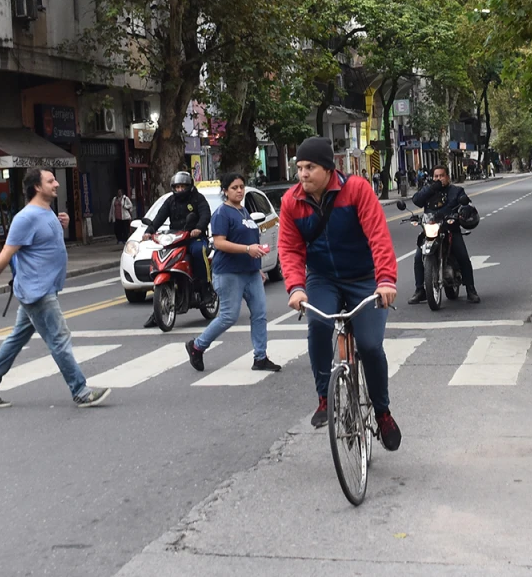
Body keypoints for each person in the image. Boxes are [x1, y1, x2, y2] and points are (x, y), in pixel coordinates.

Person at [279, 137, 401, 451]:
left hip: (364, 278)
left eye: (309, 167)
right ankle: (324, 397)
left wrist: (386, 280)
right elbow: (290, 250)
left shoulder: (357, 190)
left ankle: (383, 412)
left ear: (328, 168)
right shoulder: (292, 202)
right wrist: (296, 287)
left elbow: (379, 237)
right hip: (323, 279)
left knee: (371, 347)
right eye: (299, 168)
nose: (302, 174)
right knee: (318, 326)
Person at [0, 168, 111, 408]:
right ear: (37, 187)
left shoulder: (47, 212)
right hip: (37, 291)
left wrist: (62, 225)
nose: (57, 184)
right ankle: (80, 390)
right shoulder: (25, 218)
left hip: (42, 287)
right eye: (51, 180)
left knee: (16, 339)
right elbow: (6, 254)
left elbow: (44, 243)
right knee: (59, 339)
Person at [184, 173, 282, 373]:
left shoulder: (244, 212)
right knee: (229, 316)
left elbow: (250, 242)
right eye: (234, 187)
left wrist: (258, 268)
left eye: (241, 187)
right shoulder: (222, 213)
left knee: (260, 314)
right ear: (225, 191)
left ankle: (260, 357)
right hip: (229, 272)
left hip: (251, 272)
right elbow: (219, 243)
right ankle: (197, 346)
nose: (239, 191)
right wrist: (247, 250)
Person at [141, 171, 211, 328]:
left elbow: (205, 214)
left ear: (189, 186)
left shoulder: (197, 198)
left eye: (182, 186)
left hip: (195, 238)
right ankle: (158, 309)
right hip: (176, 238)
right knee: (163, 258)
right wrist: (149, 231)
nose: (179, 190)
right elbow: (159, 217)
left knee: (198, 251)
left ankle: (205, 288)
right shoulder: (170, 201)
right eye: (177, 187)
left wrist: (199, 228)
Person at [408, 165, 480, 305]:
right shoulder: (428, 191)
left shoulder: (456, 191)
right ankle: (420, 290)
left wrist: (463, 211)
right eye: (436, 176)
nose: (439, 178)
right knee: (418, 257)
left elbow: (465, 202)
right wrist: (431, 188)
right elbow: (416, 200)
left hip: (450, 228)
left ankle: (471, 289)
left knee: (462, 256)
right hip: (431, 229)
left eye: (441, 175)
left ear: (447, 177)